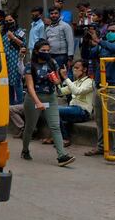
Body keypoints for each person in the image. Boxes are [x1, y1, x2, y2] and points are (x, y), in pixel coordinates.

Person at [21, 39, 75, 167]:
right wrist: (38, 102)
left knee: (55, 126)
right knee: (30, 127)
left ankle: (62, 156)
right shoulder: (30, 65)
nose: (46, 53)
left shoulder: (52, 62)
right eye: (43, 51)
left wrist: (59, 78)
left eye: (48, 50)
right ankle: (25, 150)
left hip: (50, 97)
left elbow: (57, 82)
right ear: (36, 51)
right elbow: (30, 87)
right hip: (34, 99)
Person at [84, 22, 115, 157]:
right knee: (99, 120)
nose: (109, 33)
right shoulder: (102, 46)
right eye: (108, 30)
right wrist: (87, 40)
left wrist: (99, 41)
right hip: (100, 87)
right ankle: (101, 147)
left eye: (113, 31)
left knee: (114, 120)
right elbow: (87, 54)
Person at [57, 60, 95, 147]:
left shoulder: (90, 82)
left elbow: (77, 91)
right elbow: (60, 92)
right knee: (51, 111)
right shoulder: (76, 82)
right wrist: (57, 81)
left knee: (55, 111)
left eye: (77, 68)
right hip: (73, 109)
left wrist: (66, 78)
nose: (75, 70)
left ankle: (65, 138)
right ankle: (58, 137)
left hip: (83, 111)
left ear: (85, 69)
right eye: (74, 68)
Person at [2, 13, 26, 105]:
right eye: (7, 21)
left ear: (15, 20)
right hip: (5, 60)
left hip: (15, 59)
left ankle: (20, 103)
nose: (9, 22)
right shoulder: (3, 32)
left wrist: (13, 37)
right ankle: (10, 103)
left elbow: (23, 44)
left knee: (16, 81)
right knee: (7, 83)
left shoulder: (20, 31)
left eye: (10, 20)